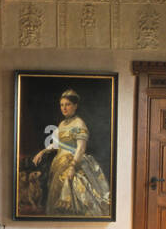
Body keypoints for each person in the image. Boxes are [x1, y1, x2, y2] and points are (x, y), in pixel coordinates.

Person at [29, 88, 111, 216]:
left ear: (75, 106)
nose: (64, 108)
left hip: (74, 162)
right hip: (59, 164)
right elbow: (57, 144)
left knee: (76, 200)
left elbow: (81, 148)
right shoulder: (62, 124)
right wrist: (42, 152)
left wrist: (73, 167)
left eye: (67, 104)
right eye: (62, 105)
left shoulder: (79, 123)